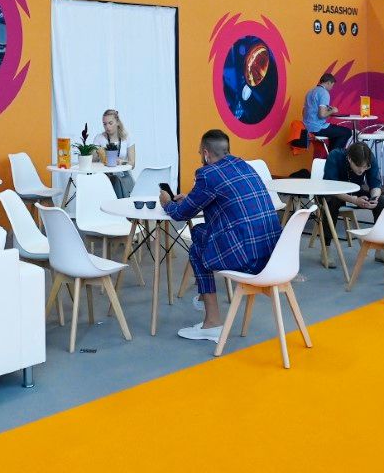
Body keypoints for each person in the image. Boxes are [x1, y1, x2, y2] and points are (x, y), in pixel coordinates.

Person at [159, 129, 282, 343]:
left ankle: (212, 321)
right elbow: (226, 195)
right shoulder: (243, 165)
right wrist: (191, 197)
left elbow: (181, 214)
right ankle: (203, 297)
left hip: (248, 258)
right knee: (201, 234)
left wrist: (167, 202)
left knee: (198, 244)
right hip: (275, 255)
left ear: (206, 154)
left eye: (199, 152)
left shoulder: (208, 174)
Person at [323, 142, 384, 266]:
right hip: (334, 193)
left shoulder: (370, 158)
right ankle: (326, 250)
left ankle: (381, 249)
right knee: (331, 203)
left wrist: (375, 198)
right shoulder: (335, 155)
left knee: (382, 202)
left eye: (365, 167)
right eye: (358, 166)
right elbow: (330, 187)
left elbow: (375, 184)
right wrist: (354, 200)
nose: (362, 170)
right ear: (349, 159)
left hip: (355, 192)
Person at [303, 73, 352, 152]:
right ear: (328, 82)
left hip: (307, 127)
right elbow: (321, 115)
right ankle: (333, 157)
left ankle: (331, 155)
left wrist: (326, 111)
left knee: (335, 133)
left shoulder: (310, 92)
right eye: (332, 85)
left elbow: (304, 112)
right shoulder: (324, 93)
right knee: (347, 132)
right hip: (318, 128)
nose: (332, 88)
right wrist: (333, 110)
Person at [94, 109, 136, 198]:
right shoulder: (99, 138)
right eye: (104, 124)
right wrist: (98, 152)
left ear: (117, 122)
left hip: (123, 175)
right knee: (114, 180)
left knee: (117, 180)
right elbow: (93, 162)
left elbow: (132, 164)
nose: (107, 127)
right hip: (105, 177)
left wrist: (121, 162)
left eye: (110, 123)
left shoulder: (127, 138)